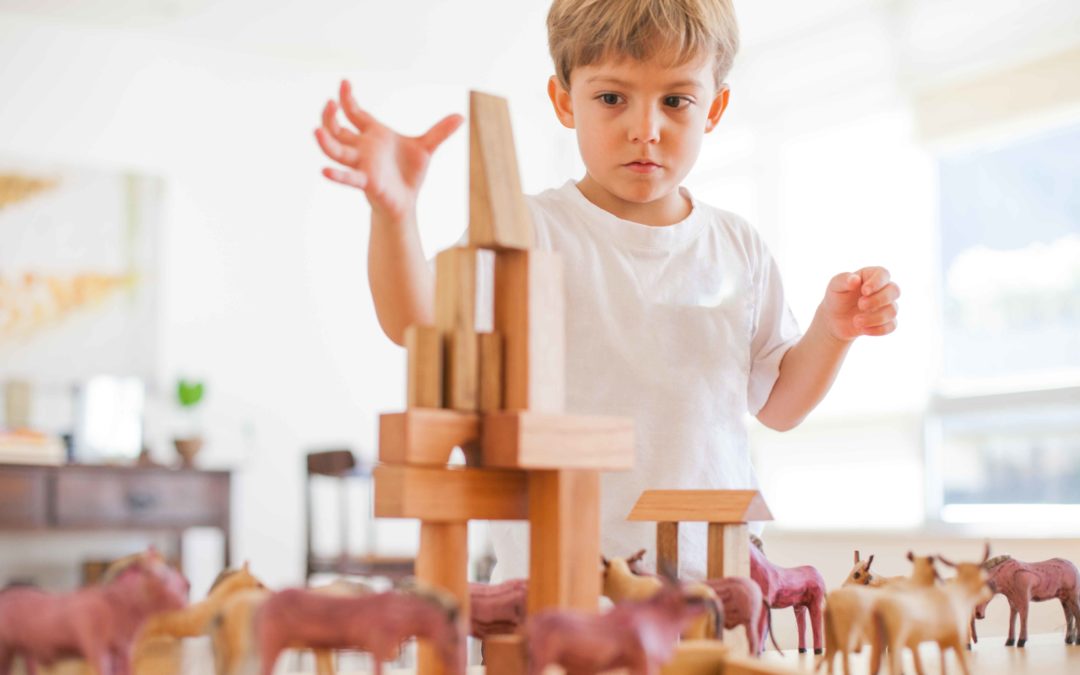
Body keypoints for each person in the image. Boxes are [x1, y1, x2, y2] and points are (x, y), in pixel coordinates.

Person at [313, 0, 900, 581]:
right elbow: (417, 325)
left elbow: (779, 406)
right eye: (612, 98)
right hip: (560, 588)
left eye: (676, 101)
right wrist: (395, 216)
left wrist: (832, 330)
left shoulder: (736, 245)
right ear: (565, 101)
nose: (644, 130)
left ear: (714, 108)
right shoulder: (527, 227)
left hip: (715, 586)